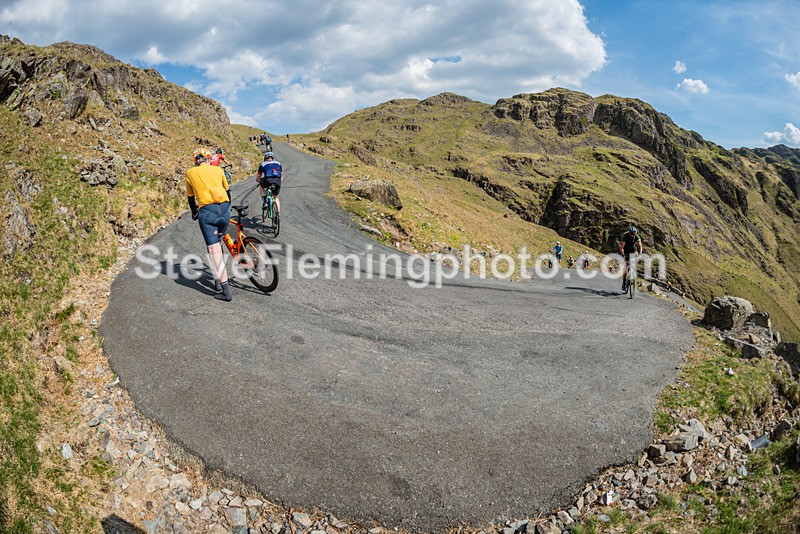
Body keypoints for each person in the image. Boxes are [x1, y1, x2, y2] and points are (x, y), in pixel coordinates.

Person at [186, 148, 233, 301]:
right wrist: (228, 208)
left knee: (213, 250)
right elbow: (228, 191)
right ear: (208, 159)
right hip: (225, 209)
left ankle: (225, 291)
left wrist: (194, 213)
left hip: (208, 212)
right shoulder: (218, 169)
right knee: (218, 244)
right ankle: (218, 280)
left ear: (196, 160)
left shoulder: (191, 173)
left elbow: (191, 198)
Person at [619, 225, 643, 292]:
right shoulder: (625, 235)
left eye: (634, 234)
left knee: (636, 255)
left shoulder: (637, 236)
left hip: (633, 249)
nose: (633, 235)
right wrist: (623, 254)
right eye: (632, 234)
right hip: (626, 250)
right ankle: (624, 282)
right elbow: (622, 247)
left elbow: (640, 246)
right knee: (626, 266)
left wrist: (640, 253)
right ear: (629, 233)